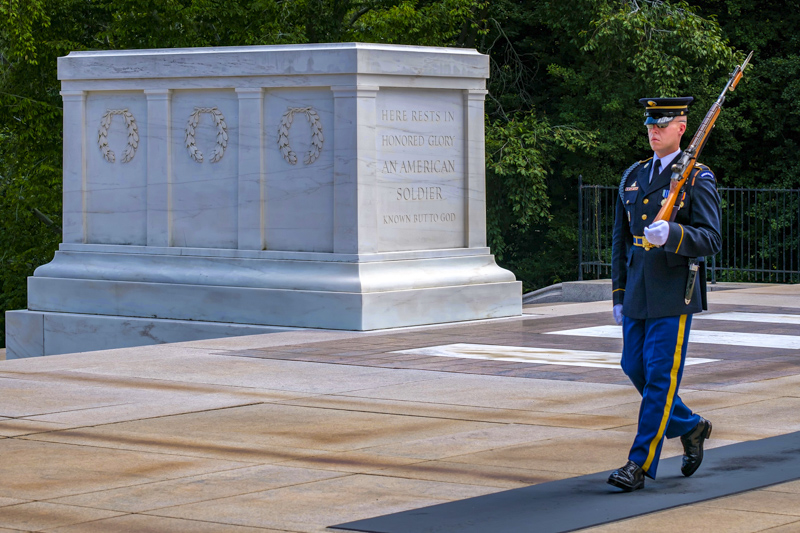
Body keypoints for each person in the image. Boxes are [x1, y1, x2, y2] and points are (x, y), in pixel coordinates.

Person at [608, 97, 722, 492]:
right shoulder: (634, 175)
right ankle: (691, 426)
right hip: (638, 288)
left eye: (663, 124)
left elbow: (710, 238)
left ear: (681, 129)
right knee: (632, 367)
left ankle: (638, 463)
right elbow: (620, 242)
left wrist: (672, 234)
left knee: (659, 377)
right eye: (650, 124)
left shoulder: (696, 177)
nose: (654, 130)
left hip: (675, 290)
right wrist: (618, 294)